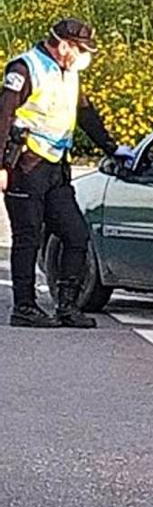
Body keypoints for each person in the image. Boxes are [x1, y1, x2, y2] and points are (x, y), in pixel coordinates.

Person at [0, 19, 130, 328]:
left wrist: (113, 148)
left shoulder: (69, 73)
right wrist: (2, 166)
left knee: (76, 234)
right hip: (25, 166)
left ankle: (67, 306)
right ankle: (24, 307)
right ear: (63, 45)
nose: (84, 56)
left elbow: (85, 113)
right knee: (27, 238)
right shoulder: (24, 69)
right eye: (81, 49)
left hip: (56, 168)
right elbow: (3, 117)